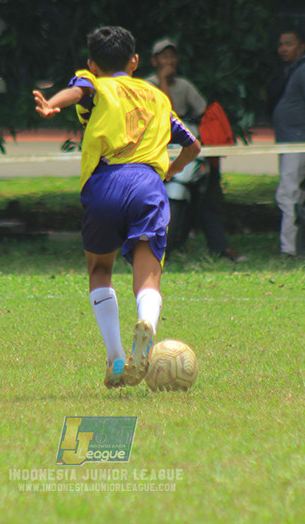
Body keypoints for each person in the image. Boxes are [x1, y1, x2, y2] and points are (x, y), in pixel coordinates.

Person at [33, 26, 201, 388]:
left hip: (105, 182)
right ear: (135, 61)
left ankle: (116, 358)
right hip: (147, 185)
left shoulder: (95, 82)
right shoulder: (157, 98)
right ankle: (147, 324)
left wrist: (52, 104)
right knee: (148, 271)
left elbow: (80, 91)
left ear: (93, 64)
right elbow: (193, 146)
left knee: (99, 269)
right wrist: (171, 170)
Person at [145, 38, 244, 262]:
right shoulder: (147, 85)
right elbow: (165, 113)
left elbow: (203, 111)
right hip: (156, 149)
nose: (169, 61)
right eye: (164, 57)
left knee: (204, 197)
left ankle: (220, 247)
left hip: (183, 147)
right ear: (154, 61)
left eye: (172, 56)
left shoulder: (184, 85)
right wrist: (163, 81)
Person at [271, 27, 305, 257]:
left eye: (289, 44)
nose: (283, 49)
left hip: (300, 143)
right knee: (296, 196)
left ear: (301, 47)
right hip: (291, 143)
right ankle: (303, 244)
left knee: (287, 195)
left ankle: (290, 249)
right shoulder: (293, 71)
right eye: (281, 44)